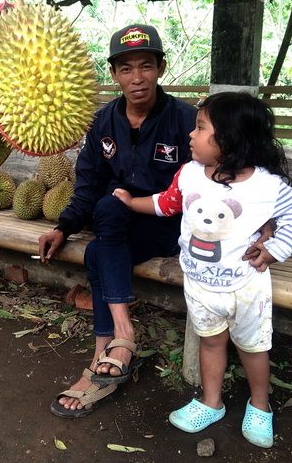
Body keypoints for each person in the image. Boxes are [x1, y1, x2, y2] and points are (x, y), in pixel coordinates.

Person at [113, 92, 292, 448]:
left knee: (253, 349)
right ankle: (211, 401)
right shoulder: (189, 174)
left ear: (230, 139)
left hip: (246, 288)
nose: (191, 134)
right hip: (201, 287)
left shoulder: (265, 185)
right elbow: (167, 203)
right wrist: (132, 202)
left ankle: (260, 406)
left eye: (201, 127)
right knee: (212, 341)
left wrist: (275, 248)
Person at [41, 24, 197, 418]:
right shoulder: (102, 122)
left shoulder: (185, 120)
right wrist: (63, 227)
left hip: (166, 224)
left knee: (100, 244)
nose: (137, 78)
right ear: (114, 75)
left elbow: (214, 181)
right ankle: (113, 346)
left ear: (160, 68)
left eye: (145, 66)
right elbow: (88, 183)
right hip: (116, 224)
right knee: (105, 221)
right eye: (126, 69)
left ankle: (110, 346)